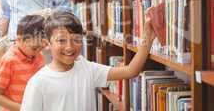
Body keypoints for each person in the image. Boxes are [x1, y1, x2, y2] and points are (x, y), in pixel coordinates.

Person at [20, 11, 156, 111]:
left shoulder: (86, 68)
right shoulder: (37, 83)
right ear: (47, 43)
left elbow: (131, 71)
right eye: (61, 40)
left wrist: (147, 39)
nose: (69, 47)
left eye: (77, 40)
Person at [0, 14, 47, 111]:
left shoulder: (39, 56)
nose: (38, 51)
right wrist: (24, 109)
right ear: (18, 39)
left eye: (41, 47)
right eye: (34, 48)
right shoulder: (9, 61)